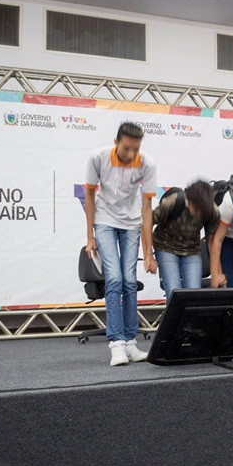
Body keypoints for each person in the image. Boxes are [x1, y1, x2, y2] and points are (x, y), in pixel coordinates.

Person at [83, 122, 158, 366]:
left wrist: (148, 252)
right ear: (116, 143)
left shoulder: (147, 163)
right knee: (114, 278)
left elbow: (147, 209)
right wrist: (90, 236)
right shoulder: (98, 157)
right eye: (126, 148)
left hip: (131, 223)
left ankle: (130, 343)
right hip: (104, 220)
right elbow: (89, 195)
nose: (131, 154)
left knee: (129, 281)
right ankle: (116, 344)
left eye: (136, 149)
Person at [152, 180, 218, 301]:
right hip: (165, 247)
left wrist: (216, 272)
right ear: (188, 200)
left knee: (194, 294)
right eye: (195, 209)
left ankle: (191, 314)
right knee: (174, 293)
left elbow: (212, 242)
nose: (197, 213)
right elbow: (147, 222)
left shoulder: (212, 211)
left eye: (201, 211)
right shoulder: (173, 202)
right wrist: (148, 256)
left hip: (192, 250)